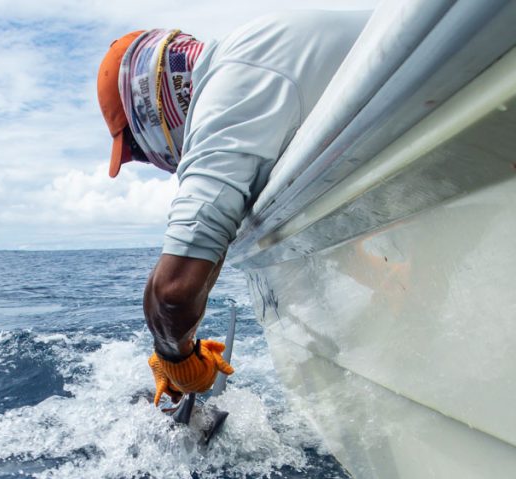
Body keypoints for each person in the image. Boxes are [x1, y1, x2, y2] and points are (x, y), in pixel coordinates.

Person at [97, 10, 370, 406]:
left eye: (137, 150)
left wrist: (177, 359)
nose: (151, 160)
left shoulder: (233, 87)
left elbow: (173, 292)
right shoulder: (260, 71)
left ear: (150, 108)